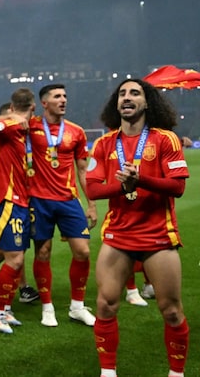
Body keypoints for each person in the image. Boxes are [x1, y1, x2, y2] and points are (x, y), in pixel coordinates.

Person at [86, 79, 189, 377]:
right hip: (118, 236)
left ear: (148, 103)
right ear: (115, 104)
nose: (127, 98)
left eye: (135, 93)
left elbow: (177, 187)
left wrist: (140, 180)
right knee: (105, 305)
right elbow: (92, 190)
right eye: (122, 94)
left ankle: (176, 373)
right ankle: (108, 373)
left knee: (171, 310)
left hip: (158, 236)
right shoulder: (105, 143)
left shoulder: (165, 139)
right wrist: (122, 186)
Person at [28, 84, 97, 327]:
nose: (64, 100)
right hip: (39, 200)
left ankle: (77, 307)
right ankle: (47, 307)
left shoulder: (76, 132)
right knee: (43, 252)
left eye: (65, 95)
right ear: (44, 103)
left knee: (83, 251)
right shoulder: (31, 126)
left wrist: (91, 204)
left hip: (69, 200)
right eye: (57, 96)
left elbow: (83, 170)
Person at [0, 88, 36, 334]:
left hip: (22, 201)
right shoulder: (10, 128)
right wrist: (9, 119)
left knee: (17, 258)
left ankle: (6, 308)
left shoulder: (27, 133)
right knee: (14, 259)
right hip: (7, 201)